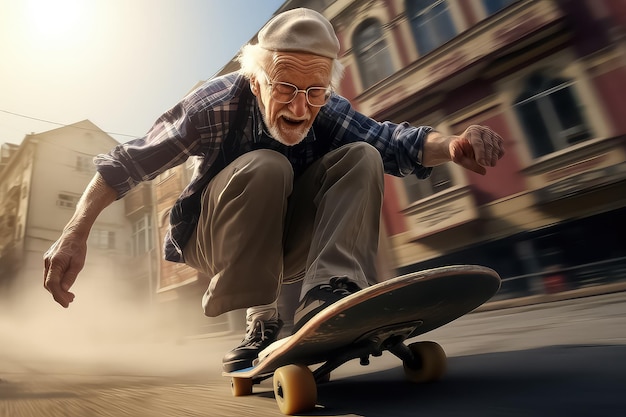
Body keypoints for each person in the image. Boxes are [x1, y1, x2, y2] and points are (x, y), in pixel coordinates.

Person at [43, 8, 505, 372]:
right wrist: (75, 231)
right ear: (255, 78)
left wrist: (455, 144)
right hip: (214, 240)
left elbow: (391, 141)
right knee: (268, 165)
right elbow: (128, 162)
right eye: (285, 87)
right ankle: (260, 321)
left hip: (289, 241)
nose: (301, 108)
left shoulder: (325, 108)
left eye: (315, 91)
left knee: (362, 154)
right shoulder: (216, 103)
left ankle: (331, 291)